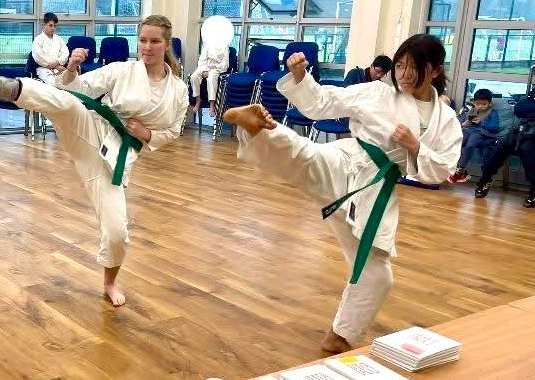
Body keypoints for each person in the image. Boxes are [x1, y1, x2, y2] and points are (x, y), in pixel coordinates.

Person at [222, 34, 461, 353]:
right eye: (399, 65)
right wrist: (299, 77)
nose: (403, 75)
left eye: (413, 68)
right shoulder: (377, 91)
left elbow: (442, 170)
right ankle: (258, 125)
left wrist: (416, 148)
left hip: (376, 191)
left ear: (435, 71)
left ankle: (341, 336)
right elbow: (324, 103)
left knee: (378, 276)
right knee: (308, 157)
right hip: (348, 159)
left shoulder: (446, 120)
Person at [0, 15, 189, 306]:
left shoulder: (178, 90)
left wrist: (147, 133)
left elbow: (173, 130)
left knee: (116, 231)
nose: (147, 47)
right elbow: (77, 88)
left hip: (114, 158)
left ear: (167, 44)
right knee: (68, 104)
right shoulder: (123, 70)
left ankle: (110, 283)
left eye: (154, 41)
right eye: (143, 40)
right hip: (92, 127)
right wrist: (71, 67)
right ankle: (5, 87)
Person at [474, 117, 535, 208]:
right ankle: (485, 180)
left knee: (527, 151)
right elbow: (519, 108)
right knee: (498, 147)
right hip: (522, 131)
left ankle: (534, 190)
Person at [449, 89, 500, 183]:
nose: (480, 106)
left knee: (471, 143)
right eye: (478, 104)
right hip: (469, 130)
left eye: (484, 104)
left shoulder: (492, 113)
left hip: (483, 133)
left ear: (489, 103)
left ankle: (461, 168)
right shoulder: (471, 110)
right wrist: (465, 123)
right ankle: (453, 166)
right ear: (474, 102)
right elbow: (460, 121)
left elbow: (495, 127)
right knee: (458, 140)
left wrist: (481, 122)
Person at [188, 43, 228, 115]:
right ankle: (198, 100)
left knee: (211, 78)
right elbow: (202, 60)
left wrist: (215, 66)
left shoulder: (225, 47)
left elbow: (225, 64)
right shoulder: (207, 46)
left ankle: (212, 105)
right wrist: (205, 70)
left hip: (217, 68)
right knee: (194, 77)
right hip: (205, 67)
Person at [31, 12, 69, 84]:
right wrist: (56, 66)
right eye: (50, 25)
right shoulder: (38, 40)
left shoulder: (59, 39)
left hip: (59, 67)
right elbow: (38, 56)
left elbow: (65, 53)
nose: (53, 28)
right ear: (44, 25)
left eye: (54, 26)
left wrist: (57, 62)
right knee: (53, 83)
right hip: (43, 68)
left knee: (68, 82)